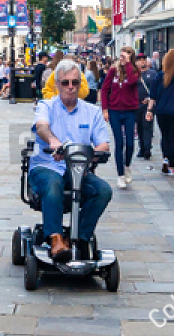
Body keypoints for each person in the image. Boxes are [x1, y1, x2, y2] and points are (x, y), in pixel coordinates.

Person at [28, 58, 112, 262]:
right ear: (57, 84)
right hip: (46, 167)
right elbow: (41, 127)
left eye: (75, 82)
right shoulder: (46, 106)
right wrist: (54, 143)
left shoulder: (91, 112)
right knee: (53, 183)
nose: (71, 87)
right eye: (65, 82)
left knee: (103, 190)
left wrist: (91, 156)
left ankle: (80, 237)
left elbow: (103, 144)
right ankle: (56, 239)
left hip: (77, 170)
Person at [99, 47, 140, 188]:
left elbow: (132, 82)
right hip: (114, 110)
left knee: (130, 143)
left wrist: (128, 64)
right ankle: (120, 175)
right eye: (122, 55)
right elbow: (104, 89)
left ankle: (127, 165)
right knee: (119, 142)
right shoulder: (112, 70)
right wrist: (105, 109)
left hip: (130, 111)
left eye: (126, 56)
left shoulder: (134, 70)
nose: (122, 58)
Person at [135, 53, 159, 163]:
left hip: (148, 105)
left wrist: (150, 99)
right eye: (139, 60)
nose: (142, 62)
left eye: (143, 59)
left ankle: (147, 149)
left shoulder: (153, 74)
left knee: (147, 126)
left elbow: (156, 89)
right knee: (139, 126)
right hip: (137, 105)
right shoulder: (134, 75)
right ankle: (142, 147)